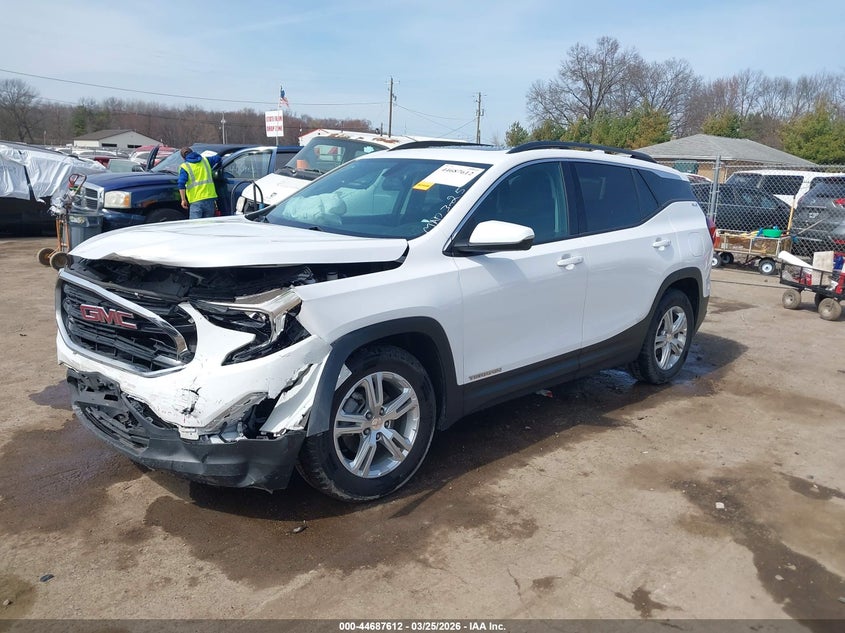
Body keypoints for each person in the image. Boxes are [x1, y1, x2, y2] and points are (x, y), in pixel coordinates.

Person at [177, 147, 221, 219]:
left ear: (183, 157)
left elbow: (181, 184)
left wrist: (183, 200)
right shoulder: (206, 161)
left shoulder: (185, 167)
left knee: (196, 227)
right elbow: (218, 158)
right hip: (209, 198)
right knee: (208, 226)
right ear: (192, 152)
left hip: (196, 201)